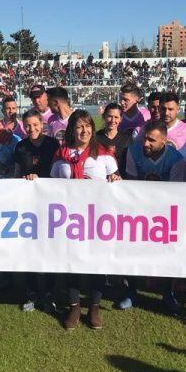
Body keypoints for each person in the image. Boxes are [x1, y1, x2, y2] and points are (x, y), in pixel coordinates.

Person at [51, 110, 120, 330]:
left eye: (88, 126)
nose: (84, 130)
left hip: (98, 217)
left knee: (96, 261)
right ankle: (74, 306)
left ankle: (95, 306)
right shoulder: (61, 153)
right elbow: (51, 184)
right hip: (70, 218)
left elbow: (117, 184)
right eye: (79, 126)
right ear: (72, 129)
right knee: (72, 261)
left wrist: (115, 178)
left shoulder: (103, 154)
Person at [120, 119, 186, 312]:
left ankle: (167, 293)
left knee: (165, 254)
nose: (145, 143)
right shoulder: (133, 152)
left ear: (164, 141)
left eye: (151, 140)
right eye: (144, 138)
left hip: (164, 214)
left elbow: (175, 194)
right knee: (131, 252)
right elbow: (131, 183)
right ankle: (130, 292)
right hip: (138, 210)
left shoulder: (176, 160)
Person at [14, 110, 60, 313]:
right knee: (29, 247)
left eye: (35, 124)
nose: (31, 129)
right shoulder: (21, 146)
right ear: (23, 126)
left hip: (50, 203)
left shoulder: (52, 144)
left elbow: (59, 171)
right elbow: (16, 173)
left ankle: (49, 292)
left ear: (42, 124)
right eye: (27, 125)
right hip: (28, 205)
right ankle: (31, 292)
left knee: (49, 247)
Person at [157, 92, 186, 161]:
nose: (166, 113)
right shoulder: (148, 128)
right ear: (158, 108)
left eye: (170, 109)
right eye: (163, 109)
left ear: (178, 109)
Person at [96, 103, 133, 174]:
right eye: (110, 116)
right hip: (102, 181)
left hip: (123, 181)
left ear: (121, 119)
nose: (113, 120)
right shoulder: (95, 138)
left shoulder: (127, 138)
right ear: (104, 117)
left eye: (116, 117)